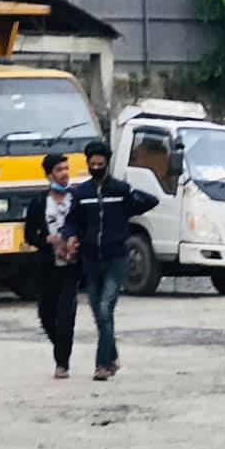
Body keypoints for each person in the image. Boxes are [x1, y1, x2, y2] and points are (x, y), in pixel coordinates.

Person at [67, 137, 157, 381]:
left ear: (107, 164)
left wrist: (126, 213)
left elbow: (150, 200)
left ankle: (102, 365)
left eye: (100, 164)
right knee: (99, 312)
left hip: (116, 258)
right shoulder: (81, 193)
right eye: (92, 164)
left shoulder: (120, 190)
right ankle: (114, 356)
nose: (96, 168)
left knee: (106, 308)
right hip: (91, 260)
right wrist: (72, 237)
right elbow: (72, 221)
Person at [24, 152, 81, 379]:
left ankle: (62, 363)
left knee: (66, 316)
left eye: (66, 168)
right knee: (46, 314)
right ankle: (60, 345)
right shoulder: (39, 202)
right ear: (49, 175)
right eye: (59, 170)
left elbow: (86, 226)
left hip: (72, 266)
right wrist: (46, 240)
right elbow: (29, 234)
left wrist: (76, 241)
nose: (64, 174)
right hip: (48, 266)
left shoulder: (76, 199)